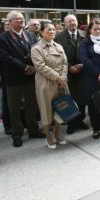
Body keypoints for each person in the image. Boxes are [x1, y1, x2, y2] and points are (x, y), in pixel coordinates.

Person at [0, 10, 45, 148]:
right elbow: (5, 57)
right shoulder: (2, 38)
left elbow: (37, 52)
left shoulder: (30, 35)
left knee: (32, 105)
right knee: (14, 107)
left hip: (31, 77)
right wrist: (24, 67)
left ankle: (33, 129)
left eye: (22, 18)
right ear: (10, 22)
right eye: (17, 19)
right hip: (14, 77)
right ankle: (17, 133)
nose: (21, 20)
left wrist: (34, 66)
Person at [30, 21, 68, 150]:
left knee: (61, 108)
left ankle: (58, 134)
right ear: (41, 32)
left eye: (53, 29)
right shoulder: (36, 48)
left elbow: (65, 63)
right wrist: (58, 77)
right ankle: (48, 137)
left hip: (61, 82)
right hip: (46, 83)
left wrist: (63, 76)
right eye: (48, 30)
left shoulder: (59, 46)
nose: (52, 31)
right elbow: (40, 67)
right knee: (46, 111)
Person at [54, 14, 88, 134]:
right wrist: (69, 68)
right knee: (70, 99)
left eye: (73, 21)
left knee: (82, 98)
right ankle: (71, 123)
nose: (72, 23)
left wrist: (83, 64)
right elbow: (58, 56)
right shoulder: (59, 37)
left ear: (77, 22)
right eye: (69, 22)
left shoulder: (85, 34)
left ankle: (80, 120)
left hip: (83, 72)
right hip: (67, 73)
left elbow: (89, 51)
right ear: (65, 24)